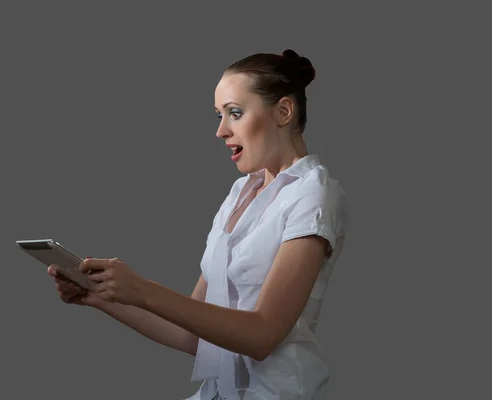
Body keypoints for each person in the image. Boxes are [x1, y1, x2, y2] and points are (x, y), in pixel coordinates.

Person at [48, 49, 348, 400]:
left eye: (235, 113)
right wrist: (103, 297)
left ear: (284, 111)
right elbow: (192, 336)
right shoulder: (240, 193)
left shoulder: (314, 194)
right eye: (219, 115)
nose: (221, 131)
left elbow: (262, 335)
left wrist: (141, 288)